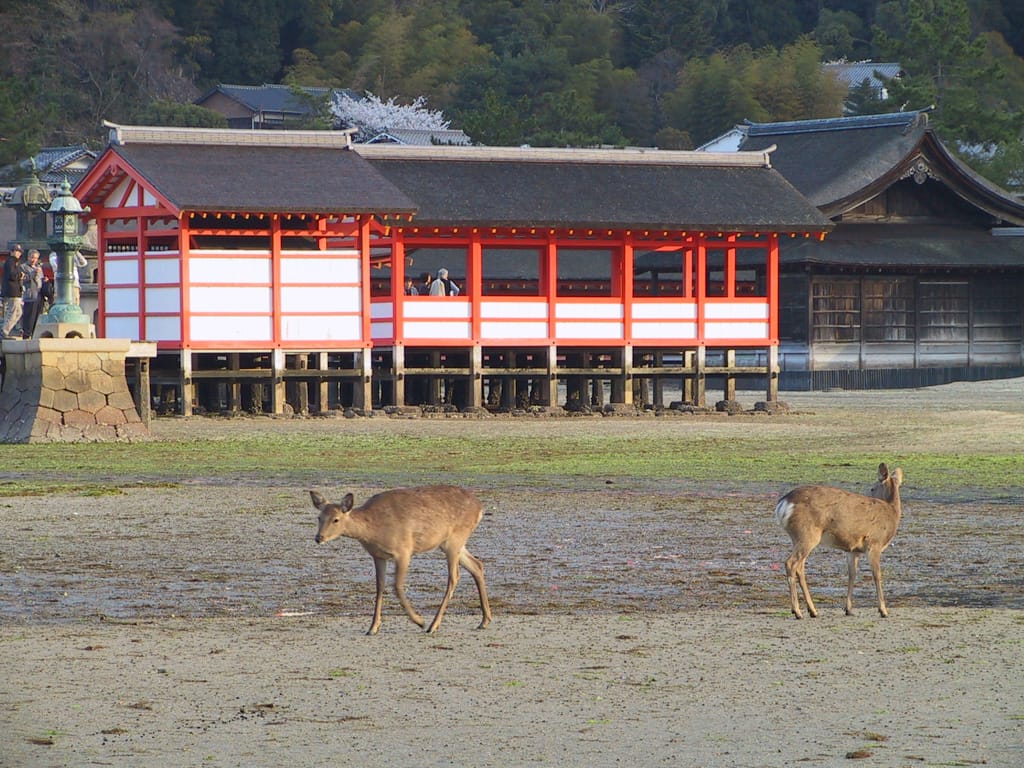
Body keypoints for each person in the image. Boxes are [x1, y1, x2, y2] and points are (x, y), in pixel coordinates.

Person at [20, 248, 44, 339]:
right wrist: (34, 273)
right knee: (29, 315)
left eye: (36, 258)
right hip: (30, 294)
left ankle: (34, 334)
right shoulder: (23, 267)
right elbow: (23, 279)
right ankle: (26, 334)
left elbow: (40, 279)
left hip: (39, 294)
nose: (34, 260)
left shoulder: (39, 268)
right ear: (28, 257)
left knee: (37, 315)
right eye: (32, 257)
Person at [2, 244, 24, 339]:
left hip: (14, 291)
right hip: (12, 291)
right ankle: (4, 331)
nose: (19, 253)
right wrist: (20, 275)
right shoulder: (11, 261)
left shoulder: (14, 262)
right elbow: (12, 275)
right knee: (13, 311)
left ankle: (6, 330)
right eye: (17, 251)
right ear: (12, 251)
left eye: (19, 251)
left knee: (18, 312)